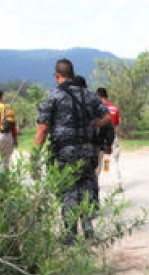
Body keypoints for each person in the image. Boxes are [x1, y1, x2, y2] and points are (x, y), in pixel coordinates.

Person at [34, 58, 112, 245]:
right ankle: (88, 233)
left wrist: (34, 157)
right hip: (86, 151)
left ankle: (70, 236)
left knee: (68, 190)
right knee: (86, 189)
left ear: (57, 75)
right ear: (73, 73)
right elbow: (107, 115)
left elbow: (43, 128)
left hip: (64, 153)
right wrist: (96, 123)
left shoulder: (53, 96)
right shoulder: (89, 95)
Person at [94, 87, 121, 188]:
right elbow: (117, 123)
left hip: (100, 137)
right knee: (114, 160)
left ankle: (96, 182)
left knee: (98, 161)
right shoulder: (114, 108)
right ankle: (118, 183)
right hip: (113, 135)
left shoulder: (96, 108)